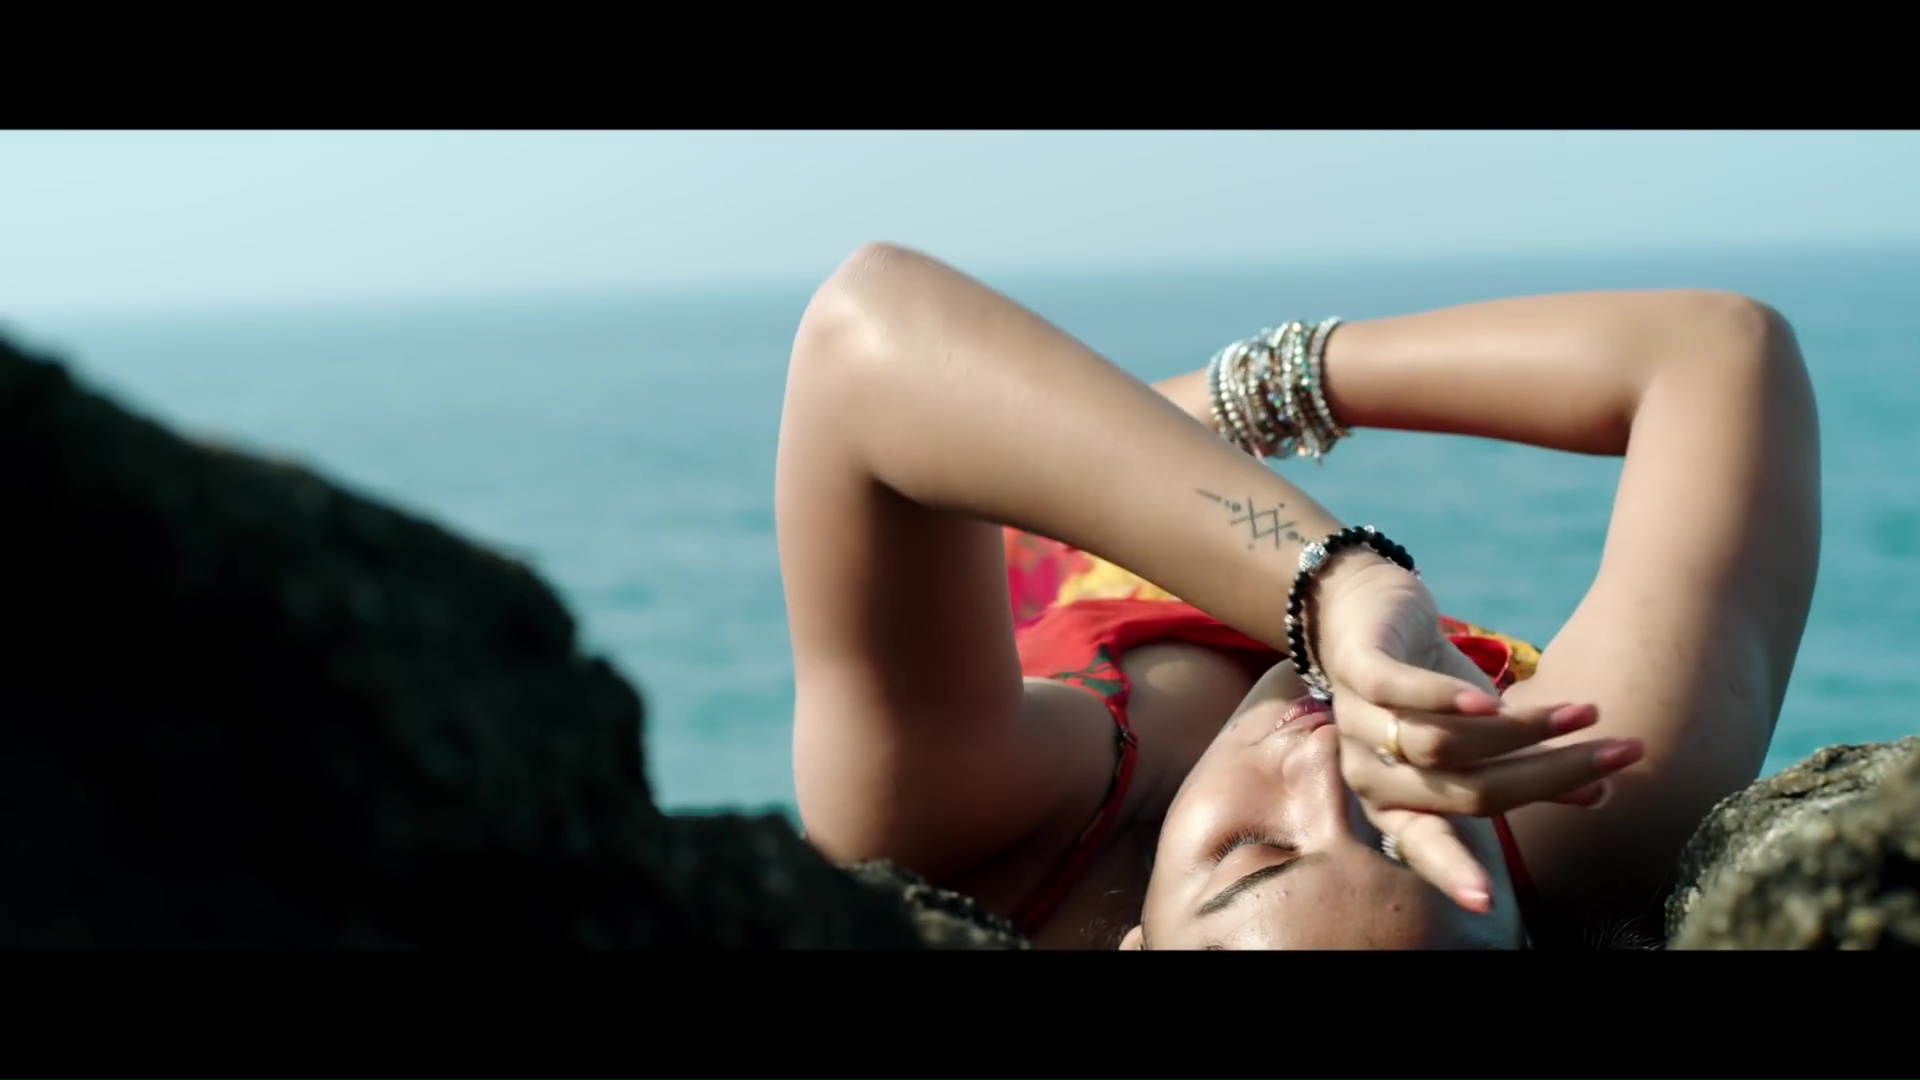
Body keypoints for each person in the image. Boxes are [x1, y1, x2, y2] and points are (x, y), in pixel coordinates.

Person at [777, 243, 1820, 950]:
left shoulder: (954, 832)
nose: (1328, 772)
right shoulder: (1585, 796)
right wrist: (1284, 395)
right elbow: (1720, 353)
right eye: (1405, 842)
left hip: (979, 489)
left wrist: (1328, 569)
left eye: (1253, 853)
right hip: (1078, 445)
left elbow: (862, 334)